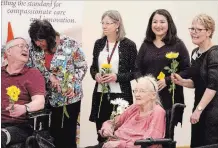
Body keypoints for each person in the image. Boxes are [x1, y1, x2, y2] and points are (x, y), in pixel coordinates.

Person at [28, 19, 87, 148]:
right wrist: (50, 77)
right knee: (50, 137)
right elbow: (32, 69)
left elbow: (82, 67)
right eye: (35, 40)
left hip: (69, 99)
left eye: (41, 40)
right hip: (46, 100)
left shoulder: (70, 44)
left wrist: (71, 85)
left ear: (50, 37)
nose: (38, 43)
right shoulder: (34, 49)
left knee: (67, 137)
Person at [89, 10, 138, 143]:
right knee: (102, 134)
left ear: (117, 24)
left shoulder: (129, 45)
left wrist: (117, 77)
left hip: (121, 96)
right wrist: (96, 75)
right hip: (101, 94)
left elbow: (135, 72)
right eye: (103, 23)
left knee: (119, 135)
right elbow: (93, 67)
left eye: (108, 23)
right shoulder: (99, 44)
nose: (104, 26)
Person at [171, 14, 218, 147]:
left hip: (213, 111)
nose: (193, 32)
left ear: (209, 32)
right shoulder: (195, 52)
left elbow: (212, 86)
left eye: (198, 29)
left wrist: (198, 110)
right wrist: (181, 82)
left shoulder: (214, 54)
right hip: (199, 106)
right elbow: (197, 82)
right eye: (192, 29)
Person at [135, 9, 190, 126]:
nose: (158, 25)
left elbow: (187, 70)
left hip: (170, 97)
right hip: (148, 98)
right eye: (155, 22)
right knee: (148, 134)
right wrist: (145, 84)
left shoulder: (178, 44)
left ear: (169, 24)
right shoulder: (146, 45)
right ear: (151, 24)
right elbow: (136, 69)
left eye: (162, 22)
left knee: (167, 136)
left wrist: (168, 80)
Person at [86, 75, 166, 148]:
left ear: (153, 95)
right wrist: (107, 128)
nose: (137, 94)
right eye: (135, 91)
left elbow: (150, 143)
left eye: (142, 91)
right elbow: (112, 122)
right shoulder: (135, 107)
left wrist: (121, 144)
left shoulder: (157, 111)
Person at [1, 37, 45, 147]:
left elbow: (40, 102)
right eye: (21, 46)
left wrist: (24, 108)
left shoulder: (33, 74)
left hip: (20, 126)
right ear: (8, 51)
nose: (25, 49)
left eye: (27, 47)